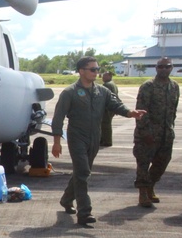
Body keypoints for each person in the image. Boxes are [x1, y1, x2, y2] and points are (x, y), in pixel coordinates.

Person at [51, 56, 145, 225]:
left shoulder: (102, 91)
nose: (96, 72)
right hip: (77, 137)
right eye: (92, 69)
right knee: (83, 173)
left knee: (82, 171)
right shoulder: (69, 93)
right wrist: (57, 142)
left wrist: (130, 112)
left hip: (95, 137)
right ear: (81, 71)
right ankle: (84, 213)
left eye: (97, 69)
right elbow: (58, 118)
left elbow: (116, 105)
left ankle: (66, 199)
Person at [133, 57, 180, 208]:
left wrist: (170, 129)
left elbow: (174, 110)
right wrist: (145, 132)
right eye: (161, 67)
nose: (164, 69)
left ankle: (150, 186)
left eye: (167, 66)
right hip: (148, 133)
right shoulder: (148, 86)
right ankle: (142, 193)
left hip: (166, 133)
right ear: (156, 68)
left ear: (172, 68)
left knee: (162, 162)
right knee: (143, 163)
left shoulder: (174, 86)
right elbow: (141, 110)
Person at [99, 70, 119, 147]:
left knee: (105, 125)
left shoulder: (107, 85)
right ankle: (103, 139)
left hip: (107, 108)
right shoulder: (112, 84)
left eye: (105, 76)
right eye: (103, 76)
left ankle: (107, 141)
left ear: (110, 76)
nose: (103, 77)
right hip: (112, 107)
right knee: (105, 124)